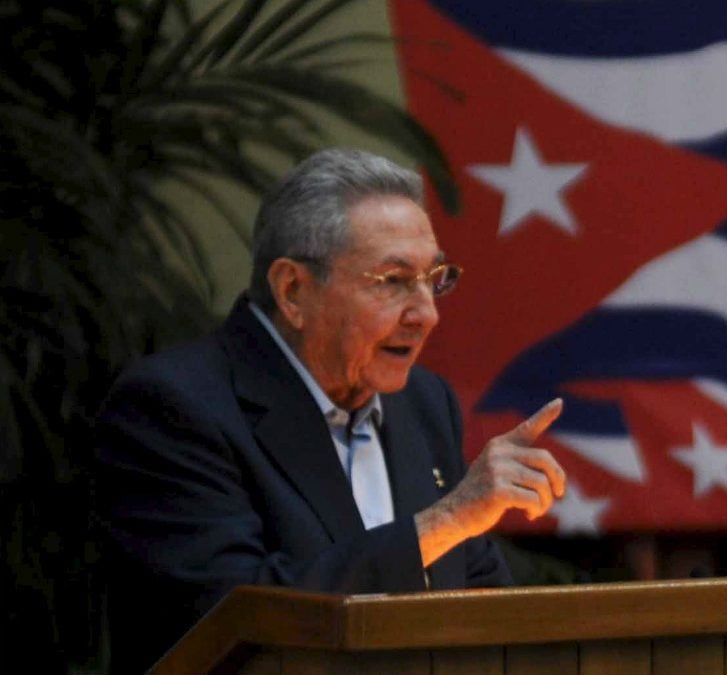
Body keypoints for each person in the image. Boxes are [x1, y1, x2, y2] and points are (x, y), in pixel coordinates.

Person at [94, 148, 567, 673]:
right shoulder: (175, 407)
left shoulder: (425, 404)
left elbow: (480, 603)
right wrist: (447, 520)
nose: (427, 313)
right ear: (293, 290)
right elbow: (230, 623)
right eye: (393, 281)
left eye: (434, 278)